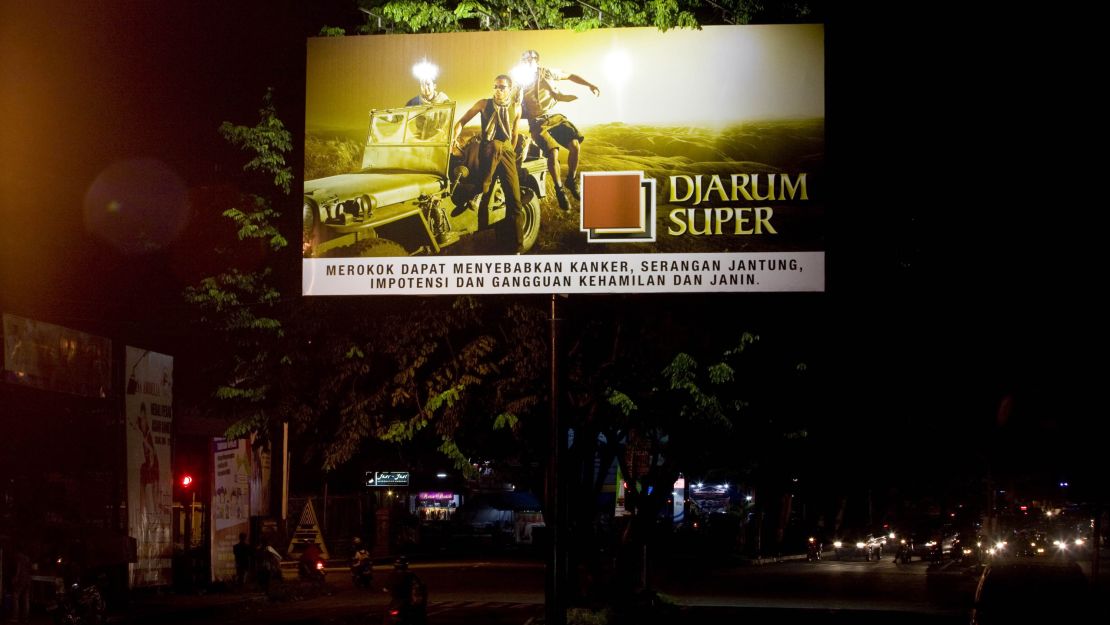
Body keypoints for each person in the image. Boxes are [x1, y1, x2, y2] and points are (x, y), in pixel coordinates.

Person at [452, 74, 531, 254]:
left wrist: (510, 151)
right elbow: (462, 121)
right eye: (495, 86)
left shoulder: (516, 108)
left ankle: (517, 248)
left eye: (502, 87)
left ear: (509, 89)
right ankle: (481, 191)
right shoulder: (483, 104)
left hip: (506, 151)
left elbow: (514, 133)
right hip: (488, 147)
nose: (497, 90)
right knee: (495, 145)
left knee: (515, 199)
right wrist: (454, 137)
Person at [515, 49, 600, 210]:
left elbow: (569, 75)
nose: (527, 61)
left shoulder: (547, 73)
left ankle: (571, 180)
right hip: (537, 122)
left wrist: (589, 84)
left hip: (555, 117)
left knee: (575, 145)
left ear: (537, 61)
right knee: (552, 151)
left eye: (530, 59)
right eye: (524, 59)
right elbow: (513, 104)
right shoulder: (520, 81)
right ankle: (559, 190)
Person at [382, 556, 426, 625]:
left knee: (387, 614)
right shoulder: (410, 574)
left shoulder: (391, 574)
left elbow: (385, 588)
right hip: (406, 599)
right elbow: (418, 584)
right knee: (418, 612)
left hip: (396, 599)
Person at [9, 548, 32, 623]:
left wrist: (16, 577)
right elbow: (30, 569)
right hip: (27, 579)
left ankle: (15, 617)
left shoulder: (17, 557)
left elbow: (18, 567)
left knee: (15, 597)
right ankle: (25, 618)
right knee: (26, 599)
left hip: (20, 579)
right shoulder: (27, 558)